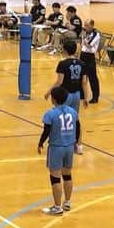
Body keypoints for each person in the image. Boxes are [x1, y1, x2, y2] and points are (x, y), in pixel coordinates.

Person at [37, 86, 80, 216]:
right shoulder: (72, 111)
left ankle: (57, 207)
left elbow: (47, 131)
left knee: (55, 177)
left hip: (56, 147)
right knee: (67, 175)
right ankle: (67, 202)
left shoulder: (50, 114)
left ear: (53, 99)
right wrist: (76, 142)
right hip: (69, 147)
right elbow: (78, 127)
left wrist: (40, 143)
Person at [45, 40, 89, 153]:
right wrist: (86, 98)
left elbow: (59, 82)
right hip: (76, 95)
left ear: (64, 50)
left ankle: (63, 142)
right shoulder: (82, 64)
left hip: (65, 95)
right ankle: (79, 146)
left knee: (61, 119)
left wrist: (49, 91)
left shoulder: (63, 64)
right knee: (76, 119)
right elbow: (84, 82)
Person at [79, 20, 102, 104]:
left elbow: (89, 44)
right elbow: (82, 45)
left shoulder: (96, 34)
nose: (85, 27)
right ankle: (81, 94)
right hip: (83, 55)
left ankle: (95, 97)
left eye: (87, 26)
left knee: (92, 78)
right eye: (84, 25)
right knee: (81, 76)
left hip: (90, 56)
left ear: (92, 26)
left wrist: (84, 38)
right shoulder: (84, 32)